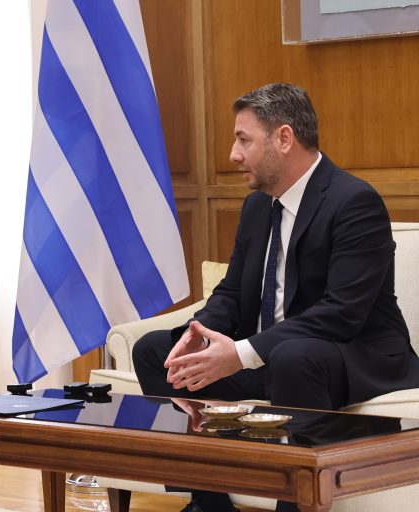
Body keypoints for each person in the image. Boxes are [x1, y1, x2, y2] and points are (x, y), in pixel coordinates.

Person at [132, 83, 419, 512]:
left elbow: (341, 313)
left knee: (294, 357)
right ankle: (209, 503)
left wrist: (242, 353)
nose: (233, 154)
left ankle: (296, 504)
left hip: (353, 357)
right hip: (277, 359)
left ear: (284, 138)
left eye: (243, 140)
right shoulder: (257, 207)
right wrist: (199, 334)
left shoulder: (354, 201)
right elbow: (232, 292)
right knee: (156, 350)